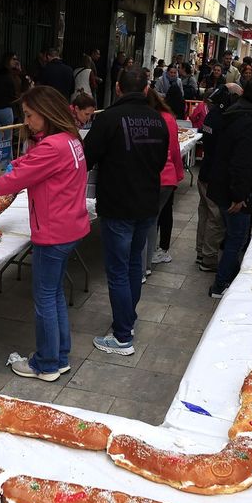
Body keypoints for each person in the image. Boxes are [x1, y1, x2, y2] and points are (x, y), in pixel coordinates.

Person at [0, 87, 88, 381]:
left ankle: (46, 363)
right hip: (70, 227)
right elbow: (34, 164)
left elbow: (17, 179)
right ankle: (59, 357)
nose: (26, 121)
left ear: (46, 113)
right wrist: (19, 163)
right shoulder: (69, 139)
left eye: (29, 115)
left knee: (45, 298)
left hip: (54, 232)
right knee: (55, 294)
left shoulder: (53, 146)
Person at [83, 65, 169, 355]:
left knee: (119, 270)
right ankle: (127, 320)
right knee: (133, 264)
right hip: (146, 202)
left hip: (118, 204)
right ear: (145, 89)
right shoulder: (157, 119)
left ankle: (122, 336)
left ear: (118, 88)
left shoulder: (109, 118)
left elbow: (86, 157)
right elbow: (160, 161)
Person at [204, 76, 252, 298]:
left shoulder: (237, 111)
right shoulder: (249, 119)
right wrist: (239, 196)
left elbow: (247, 144)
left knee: (232, 236)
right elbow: (241, 162)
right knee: (236, 238)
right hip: (233, 191)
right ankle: (221, 284)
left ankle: (229, 276)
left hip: (221, 184)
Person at [193, 83, 238, 272]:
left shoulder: (211, 116)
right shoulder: (225, 120)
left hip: (205, 171)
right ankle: (209, 258)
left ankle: (201, 251)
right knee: (215, 217)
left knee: (204, 212)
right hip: (215, 175)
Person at [146, 87, 183, 268]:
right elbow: (174, 149)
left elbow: (174, 148)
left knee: (150, 219)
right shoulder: (167, 118)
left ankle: (150, 257)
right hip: (166, 175)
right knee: (160, 214)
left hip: (154, 174)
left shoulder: (151, 118)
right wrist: (178, 172)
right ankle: (159, 250)